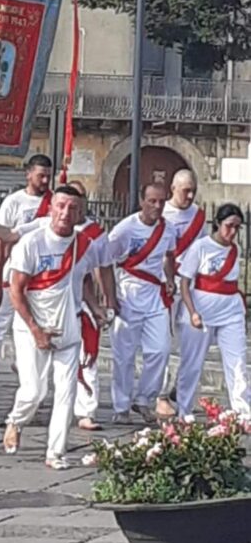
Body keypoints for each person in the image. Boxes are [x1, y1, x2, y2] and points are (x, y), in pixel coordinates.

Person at [3, 186, 106, 470]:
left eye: (72, 208)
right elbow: (16, 290)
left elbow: (83, 279)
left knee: (67, 392)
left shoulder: (85, 245)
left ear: (80, 212)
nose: (65, 213)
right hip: (31, 326)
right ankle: (16, 420)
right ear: (51, 208)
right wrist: (36, 330)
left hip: (68, 324)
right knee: (34, 391)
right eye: (60, 205)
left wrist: (95, 307)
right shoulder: (31, 243)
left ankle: (55, 453)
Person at [108, 183, 175, 426]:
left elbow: (169, 255)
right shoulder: (124, 229)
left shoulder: (168, 229)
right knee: (124, 355)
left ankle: (144, 399)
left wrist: (169, 279)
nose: (157, 206)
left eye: (161, 202)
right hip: (128, 293)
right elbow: (107, 260)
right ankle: (122, 406)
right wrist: (110, 296)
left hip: (155, 296)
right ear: (141, 201)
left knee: (160, 349)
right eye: (152, 201)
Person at [179, 203, 250, 419]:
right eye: (229, 226)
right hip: (202, 309)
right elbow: (185, 282)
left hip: (230, 310)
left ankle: (243, 411)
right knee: (192, 363)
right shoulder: (201, 247)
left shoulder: (234, 250)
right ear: (218, 223)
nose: (233, 232)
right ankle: (184, 410)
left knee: (237, 360)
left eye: (237, 228)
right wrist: (192, 311)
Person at [156, 169, 207, 419]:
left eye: (192, 191)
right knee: (164, 341)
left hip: (191, 285)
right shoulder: (161, 213)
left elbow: (204, 248)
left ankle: (181, 389)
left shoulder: (198, 216)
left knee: (193, 338)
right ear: (173, 189)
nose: (189, 195)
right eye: (185, 190)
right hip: (166, 282)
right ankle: (160, 395)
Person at [0, 154, 53, 366]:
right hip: (14, 269)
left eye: (48, 176)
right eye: (40, 176)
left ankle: (24, 365)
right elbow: (0, 238)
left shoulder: (54, 202)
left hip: (40, 273)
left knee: (32, 320)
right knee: (1, 321)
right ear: (28, 174)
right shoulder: (13, 202)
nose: (45, 181)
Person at [70, 181, 118, 432]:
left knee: (87, 356)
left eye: (78, 200)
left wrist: (106, 302)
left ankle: (86, 410)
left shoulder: (95, 235)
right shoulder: (45, 228)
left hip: (79, 301)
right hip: (47, 303)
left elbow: (99, 270)